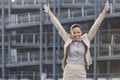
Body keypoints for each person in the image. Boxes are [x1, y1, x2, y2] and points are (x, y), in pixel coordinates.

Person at [44, 0, 109, 80]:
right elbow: (59, 27)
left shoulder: (86, 39)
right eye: (74, 33)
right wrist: (50, 13)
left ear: (81, 32)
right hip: (69, 70)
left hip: (81, 70)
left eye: (78, 32)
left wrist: (104, 11)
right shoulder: (67, 39)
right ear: (71, 33)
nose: (76, 34)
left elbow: (96, 25)